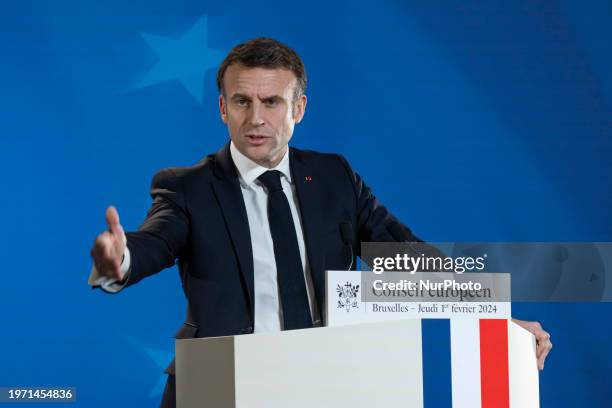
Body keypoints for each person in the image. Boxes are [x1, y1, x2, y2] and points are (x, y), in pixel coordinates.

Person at [89, 37, 552, 407]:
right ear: (222, 109)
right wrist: (120, 260)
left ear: (299, 109)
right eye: (242, 101)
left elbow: (405, 258)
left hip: (326, 380)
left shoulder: (334, 176)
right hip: (221, 384)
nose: (256, 118)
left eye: (271, 102)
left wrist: (499, 321)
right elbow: (155, 241)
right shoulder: (187, 186)